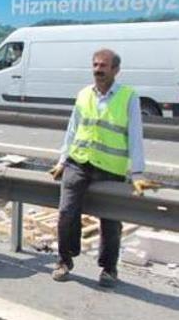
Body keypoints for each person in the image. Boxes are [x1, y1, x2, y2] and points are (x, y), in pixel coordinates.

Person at [48, 48, 146, 288]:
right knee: (66, 213)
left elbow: (135, 135)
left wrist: (138, 173)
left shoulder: (128, 96)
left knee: (110, 221)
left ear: (115, 70)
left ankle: (109, 269)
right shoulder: (83, 94)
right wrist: (62, 160)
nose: (97, 70)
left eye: (103, 66)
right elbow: (72, 129)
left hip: (111, 167)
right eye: (95, 65)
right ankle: (64, 260)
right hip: (79, 162)